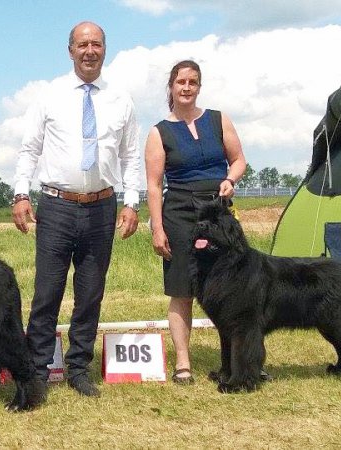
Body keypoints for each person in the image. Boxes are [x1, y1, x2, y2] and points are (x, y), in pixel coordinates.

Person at [12, 21, 142, 398]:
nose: (90, 51)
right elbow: (29, 149)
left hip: (102, 207)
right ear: (70, 51)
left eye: (96, 44)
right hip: (56, 206)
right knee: (47, 292)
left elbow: (131, 155)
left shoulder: (122, 99)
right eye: (82, 44)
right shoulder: (49, 95)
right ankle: (37, 370)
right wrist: (21, 194)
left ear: (105, 49)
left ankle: (79, 368)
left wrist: (132, 202)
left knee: (90, 293)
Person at [144, 60, 247, 384]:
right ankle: (183, 364)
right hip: (179, 214)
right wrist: (158, 228)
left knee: (234, 289)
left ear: (199, 86)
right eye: (181, 82)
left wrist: (231, 178)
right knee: (182, 290)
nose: (186, 87)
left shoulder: (219, 120)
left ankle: (240, 361)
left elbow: (239, 160)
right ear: (171, 87)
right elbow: (154, 185)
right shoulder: (159, 131)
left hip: (217, 210)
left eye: (193, 82)